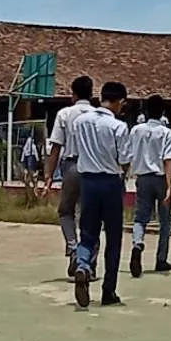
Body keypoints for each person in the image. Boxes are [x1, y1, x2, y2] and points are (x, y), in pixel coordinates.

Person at [72, 81, 133, 308]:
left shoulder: (80, 122)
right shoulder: (118, 126)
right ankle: (109, 290)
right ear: (119, 102)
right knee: (114, 238)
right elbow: (124, 159)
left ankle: (83, 265)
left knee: (88, 233)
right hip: (110, 182)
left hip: (87, 181)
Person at [39, 76, 96, 278]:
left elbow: (55, 147)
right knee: (91, 215)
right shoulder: (99, 115)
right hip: (94, 168)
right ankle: (89, 257)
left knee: (66, 211)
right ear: (92, 93)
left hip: (71, 165)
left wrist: (48, 176)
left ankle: (73, 248)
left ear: (73, 94)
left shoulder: (65, 114)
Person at [129, 96, 171, 278]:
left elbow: (128, 154)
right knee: (165, 221)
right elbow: (168, 160)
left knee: (140, 217)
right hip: (159, 178)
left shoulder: (136, 130)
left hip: (142, 177)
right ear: (163, 112)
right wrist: (169, 185)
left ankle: (137, 242)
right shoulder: (166, 133)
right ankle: (161, 258)